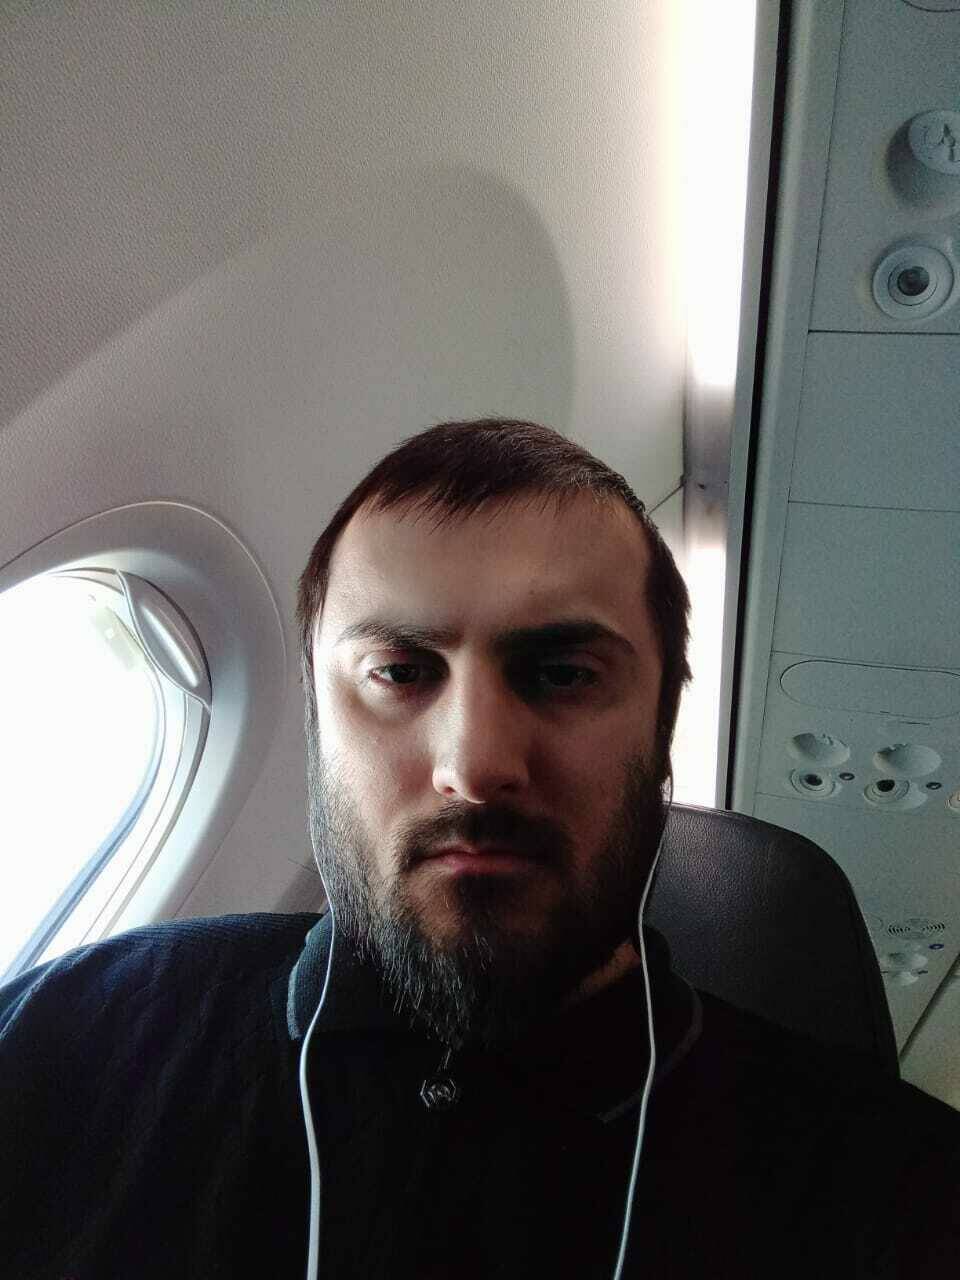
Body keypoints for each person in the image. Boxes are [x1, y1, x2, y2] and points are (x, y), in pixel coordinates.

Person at [1, 418, 958, 1279]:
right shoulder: (69, 1033)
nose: (475, 765)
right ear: (319, 721)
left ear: (662, 731)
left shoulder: (894, 1189)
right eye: (399, 670)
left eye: (563, 673)